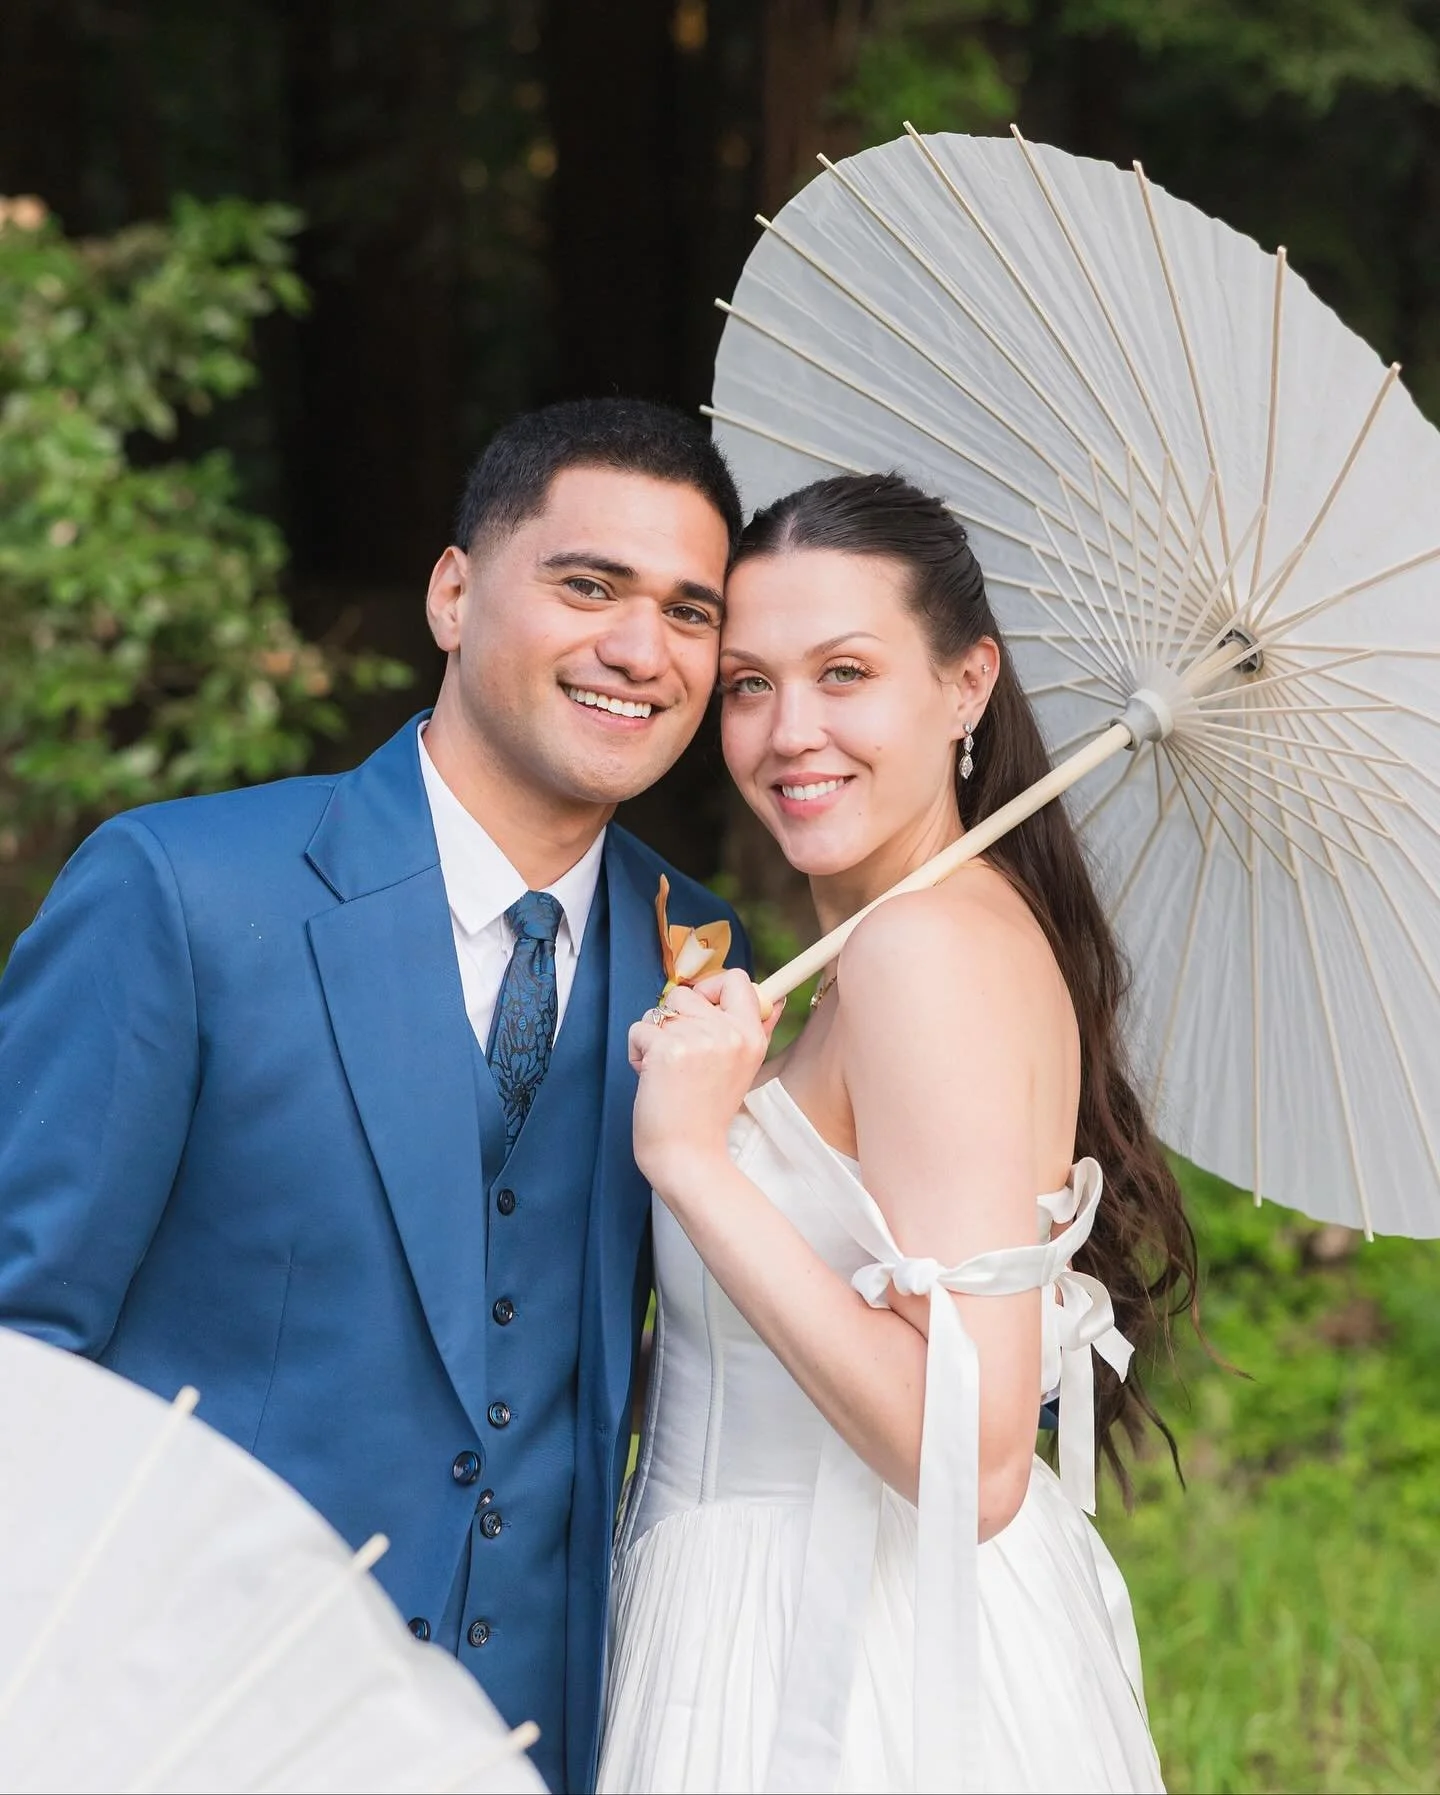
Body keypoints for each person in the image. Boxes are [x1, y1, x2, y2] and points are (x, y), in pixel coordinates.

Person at [0, 397, 749, 1795]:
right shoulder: (183, 894)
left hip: (534, 1744)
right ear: (454, 593)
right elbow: (14, 1352)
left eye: (690, 612)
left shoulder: (700, 954)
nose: (641, 650)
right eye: (589, 584)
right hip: (189, 1726)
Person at [599, 472, 1198, 1794]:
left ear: (967, 683)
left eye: (845, 672)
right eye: (749, 683)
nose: (787, 731)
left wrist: (696, 1159)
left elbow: (976, 1459)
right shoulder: (873, 951)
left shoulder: (925, 949)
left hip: (845, 1659)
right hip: (752, 1601)